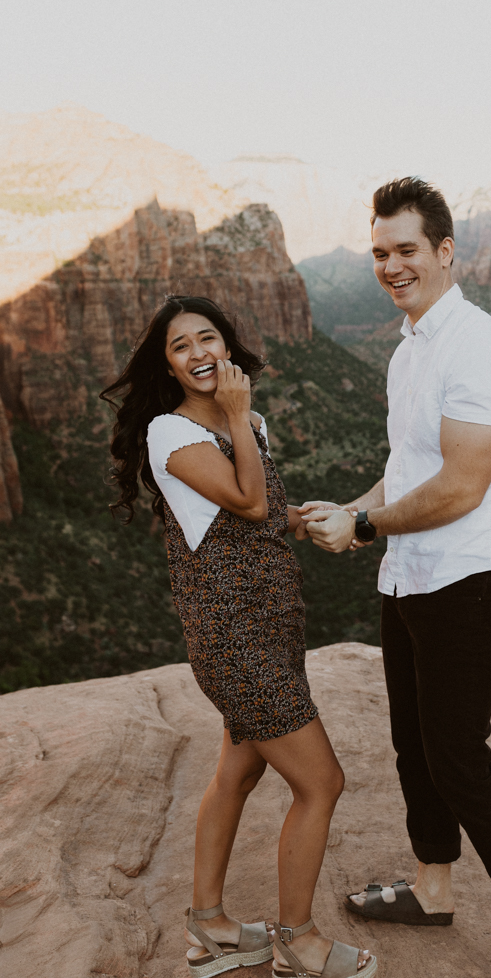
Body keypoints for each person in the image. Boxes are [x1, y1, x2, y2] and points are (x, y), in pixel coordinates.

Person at [300, 179, 491, 978]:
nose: (392, 265)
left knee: (458, 754)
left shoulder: (481, 344)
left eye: (407, 251)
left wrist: (360, 528)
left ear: (445, 250)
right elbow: (408, 471)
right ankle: (432, 887)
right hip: (410, 573)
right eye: (381, 252)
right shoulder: (409, 347)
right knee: (412, 744)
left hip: (468, 576)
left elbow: (462, 485)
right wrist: (352, 510)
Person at [100, 295, 377, 978]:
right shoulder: (170, 431)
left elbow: (246, 515)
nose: (199, 354)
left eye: (208, 339)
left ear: (227, 346)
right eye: (181, 346)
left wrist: (300, 518)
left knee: (241, 768)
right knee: (322, 782)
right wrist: (237, 422)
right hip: (233, 638)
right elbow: (246, 499)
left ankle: (211, 930)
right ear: (165, 365)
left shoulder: (243, 419)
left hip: (273, 628)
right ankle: (300, 942)